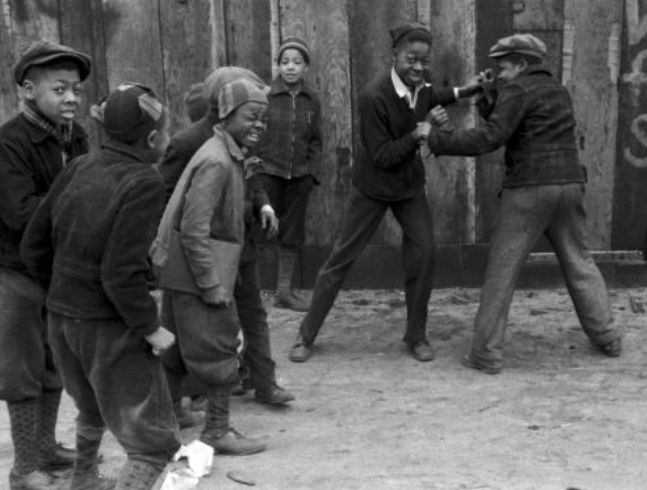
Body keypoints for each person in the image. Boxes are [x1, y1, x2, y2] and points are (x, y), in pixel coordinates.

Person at [423, 33, 622, 374]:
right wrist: (488, 97)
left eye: (503, 68)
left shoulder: (517, 90)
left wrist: (436, 138)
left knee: (502, 271)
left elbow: (492, 137)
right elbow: (515, 125)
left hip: (530, 190)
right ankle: (607, 335)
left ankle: (485, 354)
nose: (499, 75)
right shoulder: (558, 90)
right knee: (579, 260)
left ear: (523, 64)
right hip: (570, 185)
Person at [288, 22, 481, 363]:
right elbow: (382, 156)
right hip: (373, 188)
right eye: (412, 59)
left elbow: (431, 95)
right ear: (394, 55)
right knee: (340, 261)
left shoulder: (418, 84)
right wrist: (422, 134)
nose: (419, 68)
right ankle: (306, 335)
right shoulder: (373, 96)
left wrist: (466, 90)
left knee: (425, 254)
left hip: (408, 188)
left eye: (424, 61)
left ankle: (416, 336)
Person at [22, 84, 180, 489]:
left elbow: (33, 245)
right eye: (166, 132)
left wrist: (63, 296)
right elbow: (120, 273)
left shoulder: (78, 167)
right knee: (153, 444)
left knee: (90, 407)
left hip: (61, 321)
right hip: (108, 328)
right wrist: (151, 327)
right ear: (150, 139)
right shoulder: (144, 181)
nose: (168, 139)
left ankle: (84, 481)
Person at [158, 66, 293, 408]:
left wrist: (262, 205)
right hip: (202, 254)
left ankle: (264, 382)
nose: (259, 123)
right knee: (202, 326)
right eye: (252, 114)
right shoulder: (192, 144)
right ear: (225, 106)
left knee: (252, 315)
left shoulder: (240, 136)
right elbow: (173, 201)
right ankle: (197, 394)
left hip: (238, 247)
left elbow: (252, 175)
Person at [151, 78, 273, 456]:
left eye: (263, 119)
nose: (259, 125)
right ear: (226, 114)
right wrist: (210, 283)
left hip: (180, 268)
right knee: (219, 345)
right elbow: (193, 228)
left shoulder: (223, 150)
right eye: (252, 116)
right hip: (199, 269)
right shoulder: (217, 161)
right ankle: (216, 430)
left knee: (172, 346)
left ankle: (169, 418)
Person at [0, 40, 91, 490]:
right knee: (22, 370)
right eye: (59, 89)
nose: (72, 98)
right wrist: (75, 202)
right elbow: (19, 213)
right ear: (27, 91)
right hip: (14, 273)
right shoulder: (9, 142)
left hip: (55, 270)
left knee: (55, 361)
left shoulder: (76, 136)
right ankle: (22, 470)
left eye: (75, 89)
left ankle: (46, 448)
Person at [256, 37, 322, 312]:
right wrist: (257, 169)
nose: (290, 68)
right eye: (285, 62)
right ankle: (255, 291)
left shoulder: (311, 99)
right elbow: (255, 132)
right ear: (278, 66)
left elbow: (316, 140)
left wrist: (311, 173)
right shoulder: (267, 96)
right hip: (269, 173)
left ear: (305, 66)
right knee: (260, 229)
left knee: (292, 232)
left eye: (297, 62)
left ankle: (284, 290)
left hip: (299, 177)